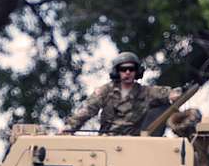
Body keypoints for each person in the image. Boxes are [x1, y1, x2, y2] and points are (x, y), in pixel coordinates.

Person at [63, 51, 200, 136]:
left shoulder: (146, 92)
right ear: (117, 71)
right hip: (107, 142)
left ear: (136, 71)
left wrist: (177, 93)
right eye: (123, 69)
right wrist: (69, 129)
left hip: (133, 145)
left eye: (131, 69)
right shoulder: (105, 91)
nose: (127, 72)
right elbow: (87, 111)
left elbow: (168, 93)